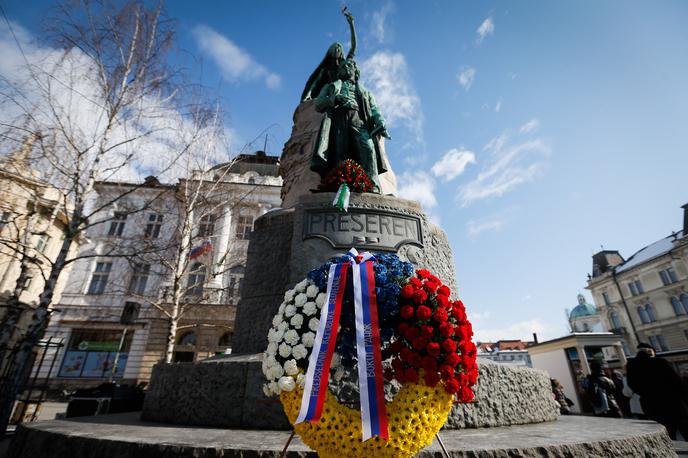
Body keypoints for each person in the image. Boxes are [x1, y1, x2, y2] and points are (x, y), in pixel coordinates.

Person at [310, 57, 390, 192]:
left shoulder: (365, 92)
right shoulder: (332, 86)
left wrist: (380, 120)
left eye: (348, 66)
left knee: (369, 149)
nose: (346, 68)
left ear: (355, 70)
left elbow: (375, 110)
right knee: (339, 152)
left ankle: (373, 185)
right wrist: (334, 99)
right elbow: (318, 104)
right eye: (342, 67)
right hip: (338, 120)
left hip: (358, 120)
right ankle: (339, 185)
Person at [627, 343, 688, 440]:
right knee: (684, 428)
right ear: (650, 352)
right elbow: (677, 381)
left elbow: (632, 384)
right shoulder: (660, 362)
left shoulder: (631, 365)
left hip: (651, 404)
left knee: (666, 434)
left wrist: (646, 394)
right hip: (672, 402)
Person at [300, 9, 356, 102]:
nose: (337, 49)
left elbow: (353, 46)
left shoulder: (344, 64)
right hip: (331, 93)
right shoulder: (326, 70)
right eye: (335, 47)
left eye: (339, 48)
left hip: (345, 92)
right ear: (330, 51)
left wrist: (351, 24)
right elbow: (315, 83)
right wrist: (308, 95)